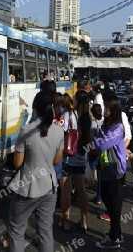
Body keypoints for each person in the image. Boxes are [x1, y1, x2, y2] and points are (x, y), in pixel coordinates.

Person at [7, 91, 64, 252]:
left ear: (34, 108)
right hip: (49, 187)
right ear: (51, 108)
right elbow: (56, 161)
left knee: (17, 230)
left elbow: (18, 163)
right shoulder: (59, 131)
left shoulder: (26, 130)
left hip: (27, 188)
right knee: (45, 231)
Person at [93, 94, 126, 249]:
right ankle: (116, 233)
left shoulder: (118, 127)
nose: (104, 110)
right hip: (107, 167)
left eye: (107, 108)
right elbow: (98, 139)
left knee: (114, 204)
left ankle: (114, 238)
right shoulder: (106, 124)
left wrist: (94, 142)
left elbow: (101, 144)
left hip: (115, 169)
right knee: (108, 199)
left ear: (113, 110)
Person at [60, 92, 91, 233]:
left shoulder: (69, 116)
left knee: (65, 189)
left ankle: (65, 222)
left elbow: (62, 134)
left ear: (76, 101)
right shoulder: (87, 118)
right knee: (81, 189)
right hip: (81, 158)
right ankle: (84, 222)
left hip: (68, 157)